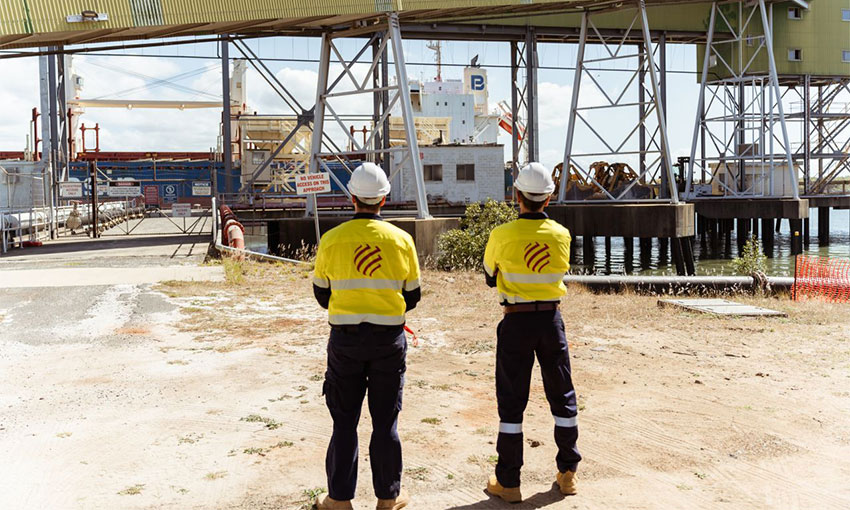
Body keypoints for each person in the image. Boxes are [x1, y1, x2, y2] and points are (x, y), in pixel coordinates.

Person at [312, 163, 420, 510]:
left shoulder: (331, 240)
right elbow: (413, 296)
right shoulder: (402, 240)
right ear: (384, 199)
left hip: (345, 341)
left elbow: (321, 294)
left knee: (344, 422)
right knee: (385, 421)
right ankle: (388, 498)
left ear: (352, 198)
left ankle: (339, 500)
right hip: (388, 342)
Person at [482, 162, 581, 503]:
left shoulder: (501, 235)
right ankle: (568, 473)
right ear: (549, 198)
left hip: (515, 321)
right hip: (551, 321)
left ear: (516, 196)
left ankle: (509, 482)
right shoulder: (561, 234)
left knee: (512, 402)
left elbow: (490, 276)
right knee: (562, 395)